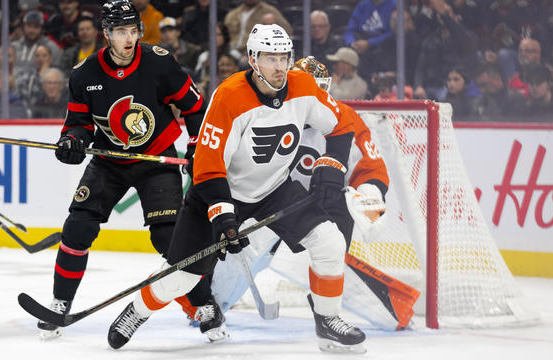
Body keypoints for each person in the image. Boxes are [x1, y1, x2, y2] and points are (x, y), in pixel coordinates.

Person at [106, 24, 367, 353]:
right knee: (182, 277)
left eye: (284, 57)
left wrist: (333, 166)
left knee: (329, 241)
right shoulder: (230, 96)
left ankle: (328, 321)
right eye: (271, 58)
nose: (279, 66)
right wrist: (224, 216)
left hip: (274, 189)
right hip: (217, 193)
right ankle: (137, 312)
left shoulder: (303, 86)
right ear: (253, 59)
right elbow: (208, 163)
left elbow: (342, 124)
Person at [36, 0, 211, 341]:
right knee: (77, 228)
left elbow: (194, 107)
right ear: (106, 34)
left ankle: (204, 303)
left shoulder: (158, 62)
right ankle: (60, 303)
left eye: (133, 31)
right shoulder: (84, 73)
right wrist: (71, 141)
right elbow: (78, 124)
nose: (128, 39)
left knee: (170, 238)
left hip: (155, 160)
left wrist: (196, 146)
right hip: (109, 162)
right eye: (120, 32)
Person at [211, 57, 417, 331]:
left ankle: (333, 311)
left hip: (321, 212)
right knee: (241, 252)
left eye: (318, 92)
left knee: (333, 253)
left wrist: (369, 193)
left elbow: (371, 167)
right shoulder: (258, 113)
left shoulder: (343, 119)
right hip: (269, 205)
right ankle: (207, 303)